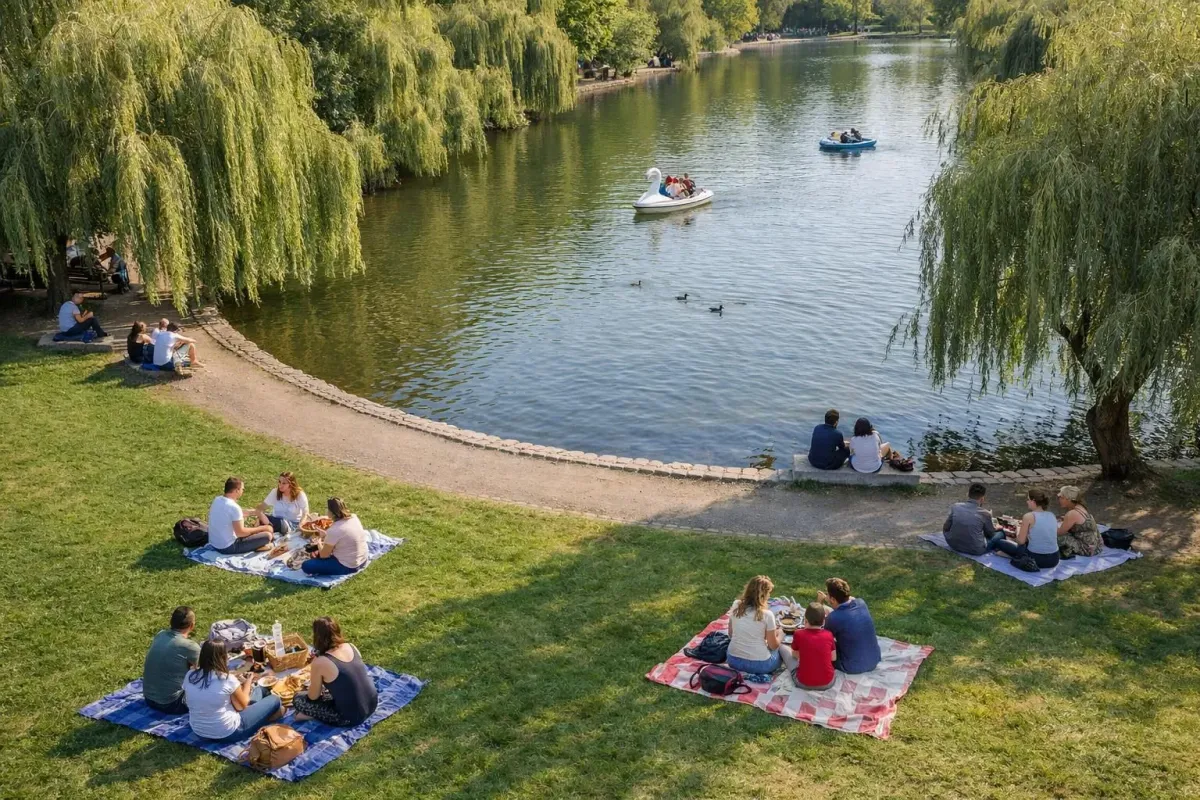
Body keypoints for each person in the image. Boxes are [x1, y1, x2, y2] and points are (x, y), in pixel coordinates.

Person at [183, 640, 283, 742]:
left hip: (198, 731)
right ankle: (264, 719)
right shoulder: (226, 679)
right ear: (223, 657)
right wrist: (248, 681)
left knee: (255, 693)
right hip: (229, 732)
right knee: (275, 699)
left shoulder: (190, 675)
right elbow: (241, 707)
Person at [292, 617, 379, 726]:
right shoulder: (351, 646)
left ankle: (311, 715)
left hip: (350, 717)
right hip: (372, 704)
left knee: (298, 699)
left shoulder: (320, 662)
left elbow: (313, 697)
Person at [725, 575, 793, 677]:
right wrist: (781, 635)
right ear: (764, 595)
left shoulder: (736, 605)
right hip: (760, 665)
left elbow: (730, 634)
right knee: (782, 649)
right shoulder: (767, 615)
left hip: (733, 660)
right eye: (769, 593)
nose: (769, 596)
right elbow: (773, 646)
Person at [142, 606, 202, 714]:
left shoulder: (160, 635)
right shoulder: (190, 646)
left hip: (149, 699)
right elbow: (207, 673)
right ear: (192, 625)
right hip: (172, 704)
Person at [818, 578, 881, 674]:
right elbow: (850, 600)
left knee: (820, 645)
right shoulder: (861, 603)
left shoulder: (834, 618)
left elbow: (820, 636)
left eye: (828, 594)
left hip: (851, 666)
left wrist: (819, 603)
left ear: (833, 599)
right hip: (874, 659)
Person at [993, 488, 1061, 570]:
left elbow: (1021, 541)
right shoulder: (1052, 515)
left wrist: (1018, 529)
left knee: (1000, 542)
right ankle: (1012, 555)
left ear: (1033, 501)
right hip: (1054, 559)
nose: (1027, 502)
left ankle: (1013, 556)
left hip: (1035, 559)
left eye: (1028, 499)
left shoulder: (1028, 516)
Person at [208, 477, 275, 554]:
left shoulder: (217, 499)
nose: (243, 491)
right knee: (267, 536)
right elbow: (241, 533)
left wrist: (251, 512)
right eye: (242, 489)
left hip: (214, 543)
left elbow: (230, 514)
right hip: (228, 547)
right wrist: (262, 528)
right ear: (237, 490)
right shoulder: (234, 507)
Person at [302, 497, 368, 576]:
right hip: (363, 559)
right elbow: (342, 535)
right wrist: (326, 535)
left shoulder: (334, 530)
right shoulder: (354, 517)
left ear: (332, 512)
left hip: (348, 566)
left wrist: (319, 540)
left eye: (327, 509)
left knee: (307, 566)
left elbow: (324, 555)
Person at [943, 483, 1005, 555]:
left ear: (967, 494)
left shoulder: (956, 506)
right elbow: (990, 534)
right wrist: (997, 528)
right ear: (982, 499)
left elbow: (946, 527)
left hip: (952, 544)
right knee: (1000, 533)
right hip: (975, 550)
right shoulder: (985, 513)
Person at [789, 603, 836, 690]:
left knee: (785, 650)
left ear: (805, 620)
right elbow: (833, 658)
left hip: (803, 682)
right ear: (823, 621)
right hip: (828, 683)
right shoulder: (829, 635)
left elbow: (794, 653)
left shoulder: (798, 634)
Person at [1057, 485, 1104, 557]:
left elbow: (1059, 532)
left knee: (1054, 536)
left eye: (1061, 497)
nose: (1059, 499)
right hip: (1096, 546)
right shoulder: (1081, 507)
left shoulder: (1072, 513)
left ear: (1068, 499)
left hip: (1086, 549)